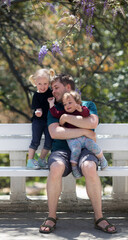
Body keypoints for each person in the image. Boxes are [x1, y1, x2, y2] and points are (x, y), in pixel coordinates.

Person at [39, 74, 117, 234]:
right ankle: (51, 216)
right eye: (52, 88)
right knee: (56, 167)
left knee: (89, 166)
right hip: (60, 151)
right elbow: (55, 132)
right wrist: (85, 132)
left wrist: (66, 118)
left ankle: (99, 217)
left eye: (56, 88)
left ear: (68, 87)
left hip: (85, 150)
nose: (52, 91)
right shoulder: (54, 110)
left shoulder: (88, 105)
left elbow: (92, 122)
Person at [48, 90, 108, 178]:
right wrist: (51, 103)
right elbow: (55, 113)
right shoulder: (64, 113)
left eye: (70, 103)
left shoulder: (81, 110)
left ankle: (102, 158)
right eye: (65, 104)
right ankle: (74, 168)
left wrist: (80, 108)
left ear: (77, 102)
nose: (67, 106)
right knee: (75, 151)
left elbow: (86, 113)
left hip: (84, 138)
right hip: (72, 139)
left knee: (92, 145)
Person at [27, 68, 55, 169]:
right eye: (40, 84)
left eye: (45, 83)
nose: (43, 87)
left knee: (49, 142)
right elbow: (36, 107)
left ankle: (41, 159)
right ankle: (30, 161)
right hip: (38, 121)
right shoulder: (36, 95)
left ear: (49, 82)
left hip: (49, 121)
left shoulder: (51, 93)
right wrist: (37, 111)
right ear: (35, 83)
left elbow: (54, 105)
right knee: (35, 141)